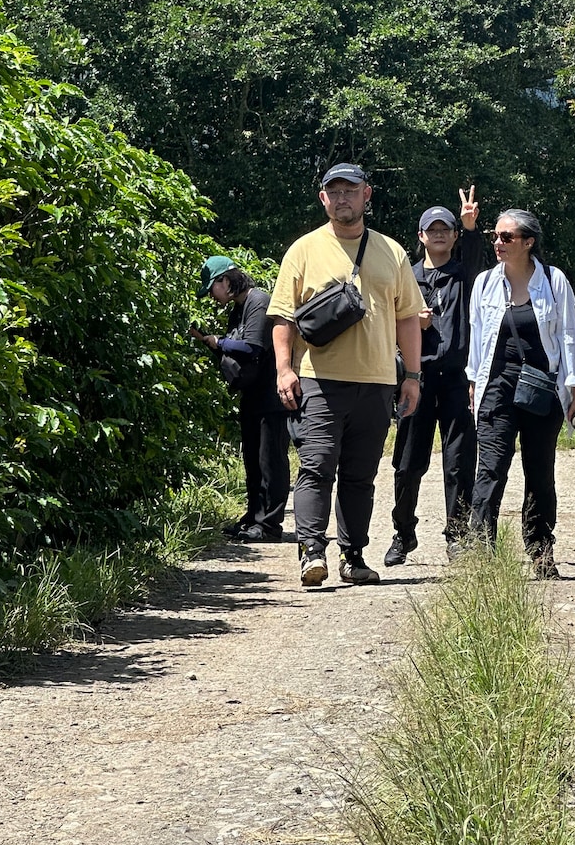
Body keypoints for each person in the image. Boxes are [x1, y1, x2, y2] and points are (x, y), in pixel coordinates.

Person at [269, 164, 424, 589]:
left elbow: (408, 318)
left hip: (376, 382)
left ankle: (353, 556)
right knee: (316, 465)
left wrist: (412, 375)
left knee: (360, 473)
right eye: (333, 191)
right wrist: (284, 369)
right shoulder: (303, 250)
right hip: (319, 379)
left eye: (350, 190)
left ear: (366, 195)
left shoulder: (391, 252)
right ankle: (312, 551)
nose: (342, 198)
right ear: (323, 199)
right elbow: (282, 317)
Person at [466, 209, 575, 579]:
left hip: (542, 387)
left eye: (507, 237)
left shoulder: (553, 281)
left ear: (529, 241)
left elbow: (569, 336)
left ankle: (540, 552)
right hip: (496, 388)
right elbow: (477, 341)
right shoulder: (485, 284)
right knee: (490, 469)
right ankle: (482, 555)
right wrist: (474, 384)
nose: (498, 243)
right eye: (496, 236)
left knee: (539, 473)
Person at [385, 186, 490, 566]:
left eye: (447, 228)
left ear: (455, 235)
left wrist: (472, 227)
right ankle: (403, 532)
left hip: (457, 381)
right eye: (433, 229)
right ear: (421, 236)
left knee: (459, 462)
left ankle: (457, 535)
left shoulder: (466, 276)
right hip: (417, 378)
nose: (440, 234)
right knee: (408, 463)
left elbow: (478, 260)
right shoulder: (406, 278)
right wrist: (413, 322)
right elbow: (385, 323)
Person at [194, 255, 291, 543]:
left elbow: (252, 346)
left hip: (270, 396)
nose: (212, 296)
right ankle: (253, 517)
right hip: (252, 394)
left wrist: (218, 342)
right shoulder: (238, 308)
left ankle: (270, 525)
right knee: (252, 459)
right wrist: (208, 341)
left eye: (212, 288)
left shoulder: (258, 301)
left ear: (226, 280)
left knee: (270, 460)